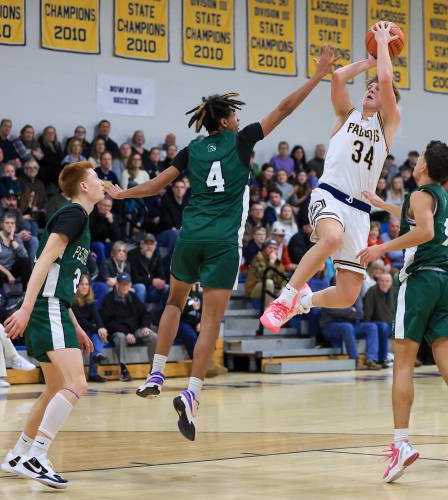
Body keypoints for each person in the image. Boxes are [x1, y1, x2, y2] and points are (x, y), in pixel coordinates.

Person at [106, 45, 338, 441]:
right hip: (222, 243)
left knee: (174, 303)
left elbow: (156, 185)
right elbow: (283, 108)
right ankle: (192, 394)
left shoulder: (192, 148)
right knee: (211, 321)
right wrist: (318, 75)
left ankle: (157, 371)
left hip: (190, 235)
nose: (240, 118)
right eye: (236, 114)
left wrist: (122, 195)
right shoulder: (242, 141)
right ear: (227, 120)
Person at [261, 23, 401, 334]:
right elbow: (338, 77)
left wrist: (382, 49)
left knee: (348, 293)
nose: (372, 88)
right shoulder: (346, 115)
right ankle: (285, 298)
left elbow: (388, 78)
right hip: (329, 195)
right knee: (332, 238)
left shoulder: (388, 124)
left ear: (387, 102)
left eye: (377, 89)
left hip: (359, 212)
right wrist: (369, 60)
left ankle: (303, 302)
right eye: (370, 86)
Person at [360, 140, 448, 482]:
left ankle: (402, 444)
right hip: (445, 283)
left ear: (424, 166)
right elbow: (421, 217)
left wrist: (381, 247)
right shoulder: (442, 196)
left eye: (421, 158)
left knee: (403, 363)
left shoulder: (419, 193)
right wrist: (385, 205)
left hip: (420, 282)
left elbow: (423, 230)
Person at [1, 161, 105, 488]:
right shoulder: (74, 214)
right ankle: (38, 455)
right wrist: (27, 307)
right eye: (97, 178)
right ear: (84, 187)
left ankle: (18, 454)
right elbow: (44, 260)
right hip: (46, 310)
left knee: (55, 388)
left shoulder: (78, 218)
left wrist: (76, 325)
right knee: (78, 383)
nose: (102, 182)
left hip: (55, 309)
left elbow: (58, 277)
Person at [100, 272, 157, 382]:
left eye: (127, 284)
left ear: (130, 285)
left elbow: (145, 313)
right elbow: (109, 322)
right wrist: (126, 333)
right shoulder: (108, 299)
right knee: (120, 337)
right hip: (119, 331)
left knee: (153, 336)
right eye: (122, 284)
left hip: (135, 330)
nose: (124, 286)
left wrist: (145, 326)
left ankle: (153, 369)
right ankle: (124, 370)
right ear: (117, 284)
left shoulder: (133, 296)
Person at [72, 274, 108, 383]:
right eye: (81, 284)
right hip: (74, 330)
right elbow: (80, 321)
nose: (84, 287)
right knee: (93, 334)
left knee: (98, 335)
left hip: (86, 330)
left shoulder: (90, 302)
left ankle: (93, 373)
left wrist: (101, 327)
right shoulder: (72, 302)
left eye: (87, 284)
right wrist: (96, 328)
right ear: (76, 287)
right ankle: (76, 375)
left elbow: (96, 316)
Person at [0, 213, 31, 287]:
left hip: (12, 269)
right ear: (2, 225)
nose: (10, 225)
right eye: (7, 223)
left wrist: (12, 239)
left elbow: (24, 255)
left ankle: (25, 291)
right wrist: (8, 274)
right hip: (0, 270)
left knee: (25, 262)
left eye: (12, 223)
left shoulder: (16, 237)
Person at [362, 271, 395, 368]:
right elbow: (367, 313)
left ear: (391, 282)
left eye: (387, 281)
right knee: (383, 327)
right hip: (376, 323)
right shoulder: (371, 291)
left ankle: (410, 358)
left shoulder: (394, 292)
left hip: (390, 324)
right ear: (378, 281)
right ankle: (382, 359)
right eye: (382, 281)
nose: (384, 283)